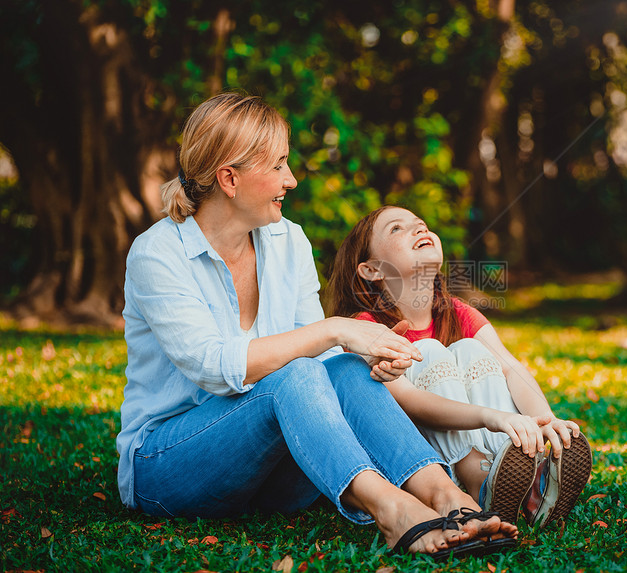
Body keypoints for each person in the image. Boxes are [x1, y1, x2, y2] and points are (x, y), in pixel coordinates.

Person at [116, 93, 518, 560]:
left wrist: (367, 359)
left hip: (271, 473)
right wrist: (334, 330)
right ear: (229, 178)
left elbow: (329, 368)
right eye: (279, 165)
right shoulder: (158, 253)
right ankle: (393, 510)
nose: (291, 179)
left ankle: (449, 496)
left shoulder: (288, 240)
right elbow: (215, 367)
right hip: (170, 465)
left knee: (344, 368)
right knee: (298, 371)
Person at [327, 206, 593, 526]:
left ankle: (516, 475)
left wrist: (544, 419)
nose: (419, 230)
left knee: (470, 348)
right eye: (397, 229)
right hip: (416, 462)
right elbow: (408, 401)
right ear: (371, 270)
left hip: (483, 440)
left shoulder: (457, 313)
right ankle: (481, 481)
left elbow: (510, 367)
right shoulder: (366, 327)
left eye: (421, 224)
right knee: (428, 350)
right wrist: (492, 417)